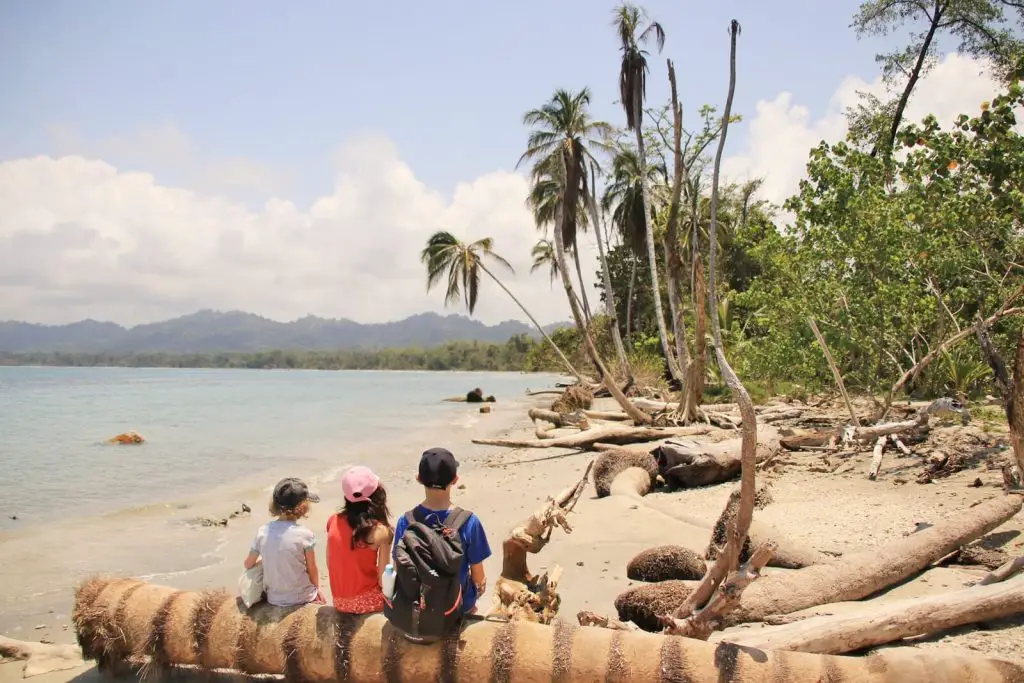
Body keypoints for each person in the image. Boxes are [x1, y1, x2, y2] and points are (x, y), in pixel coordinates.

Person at [392, 447, 491, 615]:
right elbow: (478, 578)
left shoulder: (406, 521)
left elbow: (397, 567)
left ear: (418, 479)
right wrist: (477, 592)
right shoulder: (469, 522)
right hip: (455, 607)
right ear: (455, 480)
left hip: (417, 605)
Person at [244, 477, 325, 607]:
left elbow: (248, 564)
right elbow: (312, 569)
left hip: (274, 598)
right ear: (303, 507)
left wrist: (265, 558)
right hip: (302, 596)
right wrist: (316, 590)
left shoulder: (262, 532)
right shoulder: (306, 535)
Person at [326, 465, 393, 614]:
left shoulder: (332, 521)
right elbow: (384, 580)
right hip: (367, 603)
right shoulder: (382, 531)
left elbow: (330, 562)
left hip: (339, 601)